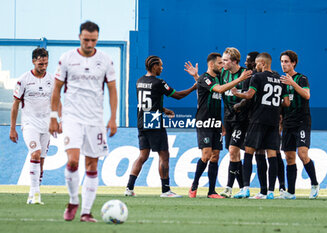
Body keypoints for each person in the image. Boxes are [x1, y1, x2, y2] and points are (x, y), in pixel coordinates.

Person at [50, 21, 117, 222]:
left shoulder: (105, 60)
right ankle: (73, 201)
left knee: (92, 164)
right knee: (72, 160)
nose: (89, 43)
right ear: (79, 37)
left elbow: (113, 89)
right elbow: (56, 89)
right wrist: (54, 117)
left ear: (97, 39)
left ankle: (86, 212)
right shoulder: (67, 59)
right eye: (86, 39)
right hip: (72, 117)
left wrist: (112, 117)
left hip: (95, 119)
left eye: (93, 40)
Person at [125, 55, 197, 197]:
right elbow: (177, 95)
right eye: (160, 65)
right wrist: (194, 88)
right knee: (164, 155)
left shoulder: (139, 81)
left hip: (141, 121)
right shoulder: (159, 82)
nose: (162, 68)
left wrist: (163, 109)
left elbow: (147, 102)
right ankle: (165, 190)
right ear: (154, 66)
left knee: (142, 155)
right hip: (153, 121)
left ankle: (129, 188)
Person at [186, 52, 252, 198]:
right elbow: (219, 90)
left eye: (224, 62)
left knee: (215, 156)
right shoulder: (206, 78)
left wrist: (221, 123)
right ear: (211, 64)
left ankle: (211, 191)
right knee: (206, 155)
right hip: (204, 122)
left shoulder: (216, 78)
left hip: (216, 122)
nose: (222, 66)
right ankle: (194, 185)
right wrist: (240, 79)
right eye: (220, 63)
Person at [232, 52, 290, 199]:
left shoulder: (257, 77)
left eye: (257, 63)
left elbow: (250, 95)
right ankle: (270, 192)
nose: (255, 66)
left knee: (249, 153)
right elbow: (287, 103)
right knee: (272, 155)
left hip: (258, 120)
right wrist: (275, 105)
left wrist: (237, 93)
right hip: (273, 121)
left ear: (263, 63)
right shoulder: (279, 79)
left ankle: (245, 188)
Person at [10, 48, 56, 205]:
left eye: (46, 63)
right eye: (41, 63)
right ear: (34, 61)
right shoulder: (23, 80)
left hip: (47, 126)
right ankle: (34, 193)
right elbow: (15, 105)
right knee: (35, 154)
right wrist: (12, 128)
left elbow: (56, 101)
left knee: (41, 161)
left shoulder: (51, 79)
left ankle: (35, 192)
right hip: (30, 124)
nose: (44, 66)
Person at [279, 50, 319, 199]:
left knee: (302, 154)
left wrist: (293, 83)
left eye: (286, 62)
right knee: (289, 157)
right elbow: (285, 103)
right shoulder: (282, 82)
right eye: (282, 62)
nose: (284, 64)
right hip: (288, 122)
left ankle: (314, 184)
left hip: (302, 121)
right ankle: (291, 192)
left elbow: (307, 95)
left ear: (293, 63)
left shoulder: (301, 78)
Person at [217, 48, 249, 198]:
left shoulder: (246, 74)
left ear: (235, 61)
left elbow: (250, 96)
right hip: (228, 118)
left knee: (232, 151)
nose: (222, 63)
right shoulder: (222, 73)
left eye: (225, 60)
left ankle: (229, 188)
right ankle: (243, 188)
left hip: (241, 119)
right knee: (233, 155)